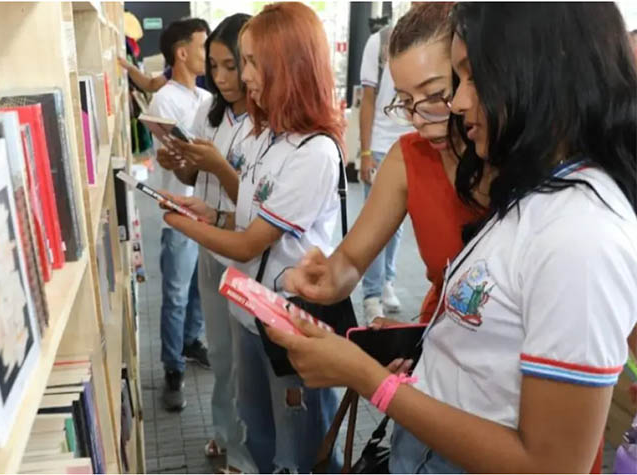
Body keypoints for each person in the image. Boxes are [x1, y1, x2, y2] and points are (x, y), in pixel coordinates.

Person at [270, 3, 637, 473]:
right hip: (433, 431)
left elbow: (550, 462)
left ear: (537, 70)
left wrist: (366, 377)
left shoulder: (580, 233)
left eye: (464, 79)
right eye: (404, 101)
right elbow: (495, 326)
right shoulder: (534, 194)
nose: (457, 104)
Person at [160, 3, 345, 472]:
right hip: (250, 312)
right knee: (259, 433)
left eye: (249, 62)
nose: (242, 77)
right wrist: (212, 215)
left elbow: (250, 245)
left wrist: (190, 225)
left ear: (287, 66)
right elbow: (245, 220)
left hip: (289, 321)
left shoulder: (314, 152)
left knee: (301, 447)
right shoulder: (265, 136)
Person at [279, 3, 489, 326]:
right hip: (440, 338)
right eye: (405, 102)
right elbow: (350, 259)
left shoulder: (527, 164)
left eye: (434, 95)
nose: (417, 119)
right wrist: (323, 278)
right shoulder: (407, 158)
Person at [155, 13, 255, 471]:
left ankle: (248, 445)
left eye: (231, 65)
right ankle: (224, 432)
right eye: (213, 66)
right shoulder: (207, 111)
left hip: (248, 251)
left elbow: (254, 208)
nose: (221, 77)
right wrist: (176, 158)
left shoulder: (269, 121)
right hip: (211, 246)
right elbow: (191, 175)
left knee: (248, 353)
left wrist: (216, 166)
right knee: (219, 351)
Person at [146, 17, 211, 412]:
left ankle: (192, 341)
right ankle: (173, 368)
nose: (209, 56)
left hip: (206, 207)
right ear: (182, 52)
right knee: (174, 291)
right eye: (203, 47)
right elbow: (176, 158)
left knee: (199, 287)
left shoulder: (205, 100)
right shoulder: (163, 102)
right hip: (179, 209)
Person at [357, 16, 414, 322]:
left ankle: (387, 280)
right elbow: (367, 99)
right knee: (376, 221)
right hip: (380, 145)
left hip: (415, 144)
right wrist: (365, 152)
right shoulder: (379, 41)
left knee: (399, 222)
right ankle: (371, 293)